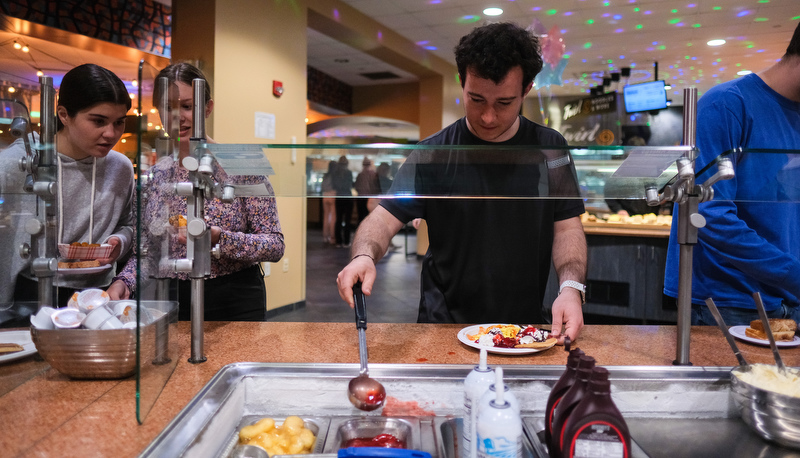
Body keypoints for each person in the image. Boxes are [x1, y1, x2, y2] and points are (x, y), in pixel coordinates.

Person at [336, 22, 587, 344]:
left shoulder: (549, 148)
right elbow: (383, 219)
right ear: (461, 82)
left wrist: (571, 288)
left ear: (526, 89)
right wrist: (363, 256)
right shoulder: (433, 152)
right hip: (441, 325)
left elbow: (567, 227)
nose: (488, 117)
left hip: (521, 325)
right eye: (477, 99)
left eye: (504, 103)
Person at [107, 62, 285, 321]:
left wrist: (218, 238)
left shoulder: (242, 163)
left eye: (188, 106)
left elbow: (274, 245)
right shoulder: (156, 177)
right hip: (170, 297)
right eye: (168, 107)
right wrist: (124, 282)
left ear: (208, 108)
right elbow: (146, 254)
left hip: (235, 296)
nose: (179, 116)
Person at [663, 22, 800, 326]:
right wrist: (794, 274)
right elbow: (708, 215)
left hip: (790, 297)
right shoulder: (727, 104)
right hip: (731, 301)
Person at [1, 63, 135, 313]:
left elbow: (127, 223)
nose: (111, 133)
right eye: (99, 121)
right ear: (64, 115)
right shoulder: (20, 163)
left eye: (119, 122)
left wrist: (119, 241)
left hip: (98, 292)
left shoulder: (121, 168)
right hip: (30, 292)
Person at [332, 155, 354, 247]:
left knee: (339, 219)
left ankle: (338, 241)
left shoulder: (335, 173)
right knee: (347, 220)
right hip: (348, 197)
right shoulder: (349, 173)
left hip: (339, 197)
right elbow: (350, 185)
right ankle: (346, 241)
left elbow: (334, 186)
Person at [354, 157, 380, 223]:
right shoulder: (373, 174)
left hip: (361, 198)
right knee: (369, 217)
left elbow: (356, 186)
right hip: (370, 198)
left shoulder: (360, 175)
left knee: (361, 217)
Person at [321, 160, 337, 245]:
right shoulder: (335, 175)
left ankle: (325, 236)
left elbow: (322, 186)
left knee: (326, 216)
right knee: (333, 217)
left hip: (325, 195)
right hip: (333, 194)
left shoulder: (325, 175)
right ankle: (332, 237)